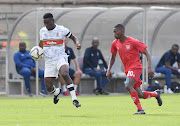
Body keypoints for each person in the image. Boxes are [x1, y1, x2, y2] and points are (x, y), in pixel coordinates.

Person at [106, 24, 162, 114]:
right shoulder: (115, 43)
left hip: (136, 67)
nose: (114, 34)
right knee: (140, 94)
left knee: (128, 85)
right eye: (113, 32)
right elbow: (113, 57)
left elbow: (147, 53)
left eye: (115, 32)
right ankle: (155, 94)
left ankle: (140, 109)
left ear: (122, 31)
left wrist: (149, 67)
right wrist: (108, 70)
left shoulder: (133, 41)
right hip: (128, 70)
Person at [39, 13, 81, 108]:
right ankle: (57, 92)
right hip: (49, 61)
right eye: (45, 23)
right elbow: (41, 44)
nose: (46, 25)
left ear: (53, 20)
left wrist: (77, 44)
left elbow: (74, 38)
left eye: (48, 23)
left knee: (65, 73)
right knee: (49, 87)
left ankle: (74, 99)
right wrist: (38, 52)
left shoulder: (62, 30)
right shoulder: (42, 31)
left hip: (60, 58)